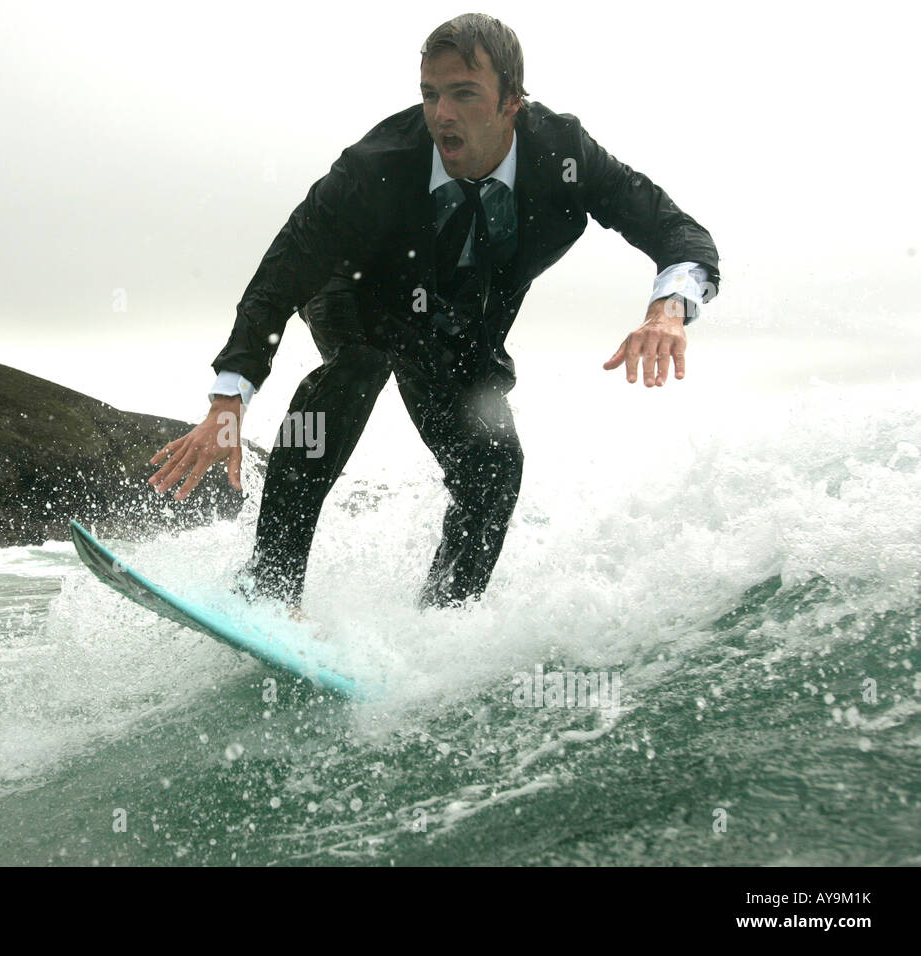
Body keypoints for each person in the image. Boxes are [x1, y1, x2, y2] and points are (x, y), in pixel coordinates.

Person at [148, 13, 720, 613]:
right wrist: (229, 398)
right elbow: (282, 273)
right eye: (430, 93)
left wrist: (666, 310)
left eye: (464, 94)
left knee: (495, 462)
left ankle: (437, 624)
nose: (441, 113)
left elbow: (675, 229)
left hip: (461, 328)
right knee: (359, 364)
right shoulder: (376, 165)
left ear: (511, 104)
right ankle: (268, 588)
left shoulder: (563, 154)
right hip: (358, 289)